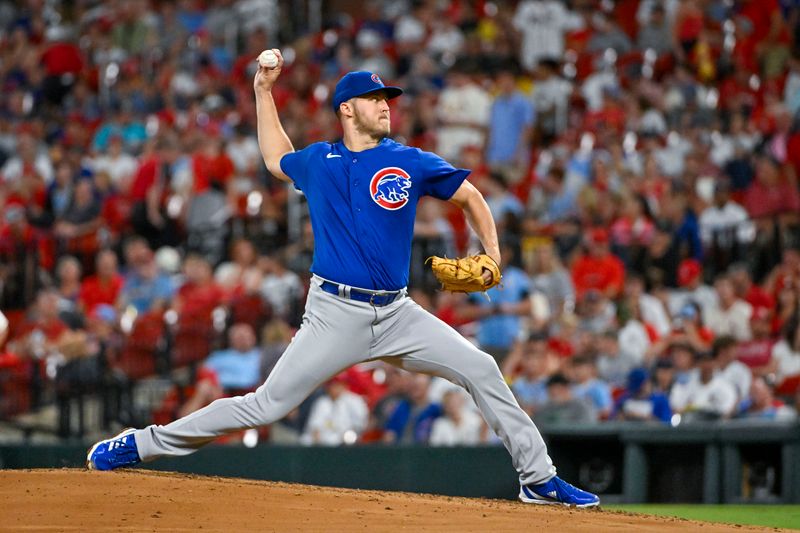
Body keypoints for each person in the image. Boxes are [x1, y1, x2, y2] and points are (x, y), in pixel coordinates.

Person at [87, 58, 599, 507]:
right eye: (374, 98)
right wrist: (263, 92)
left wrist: (492, 251)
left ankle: (539, 479)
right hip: (335, 313)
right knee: (265, 405)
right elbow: (274, 157)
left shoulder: (408, 158)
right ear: (346, 109)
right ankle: (143, 443)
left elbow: (470, 197)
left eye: (387, 98)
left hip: (398, 313)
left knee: (482, 368)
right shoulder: (320, 161)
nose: (385, 106)